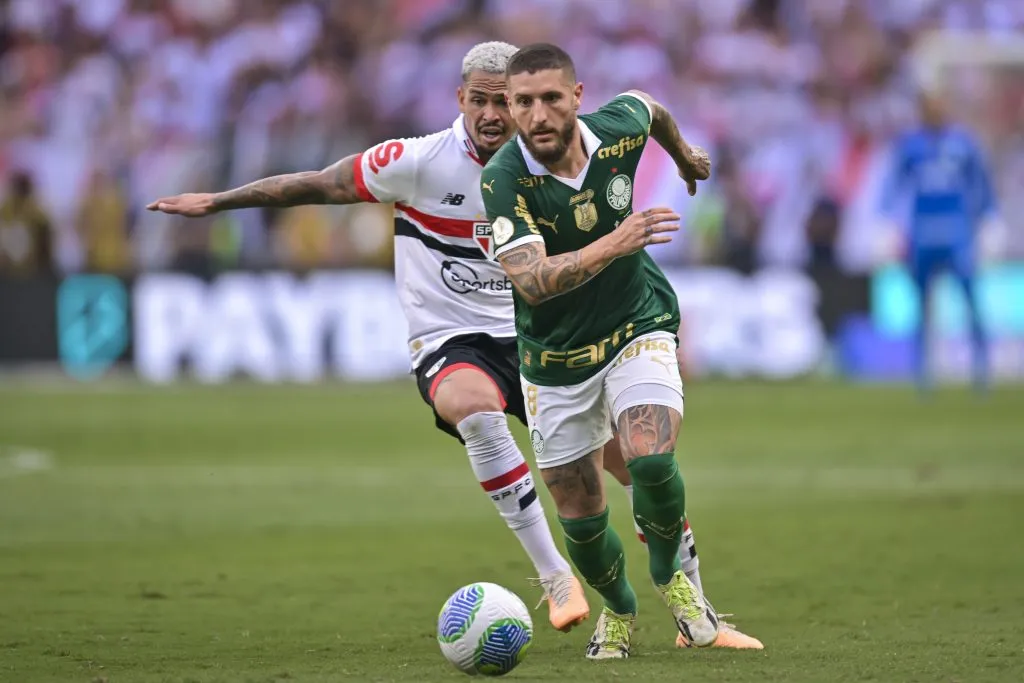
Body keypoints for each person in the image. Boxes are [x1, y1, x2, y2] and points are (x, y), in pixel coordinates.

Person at [148, 41, 760, 650]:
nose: (496, 114)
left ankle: (694, 610)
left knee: (639, 468)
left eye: (508, 102)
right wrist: (220, 202)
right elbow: (317, 184)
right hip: (452, 335)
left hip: (529, 333)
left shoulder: (556, 151)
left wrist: (683, 159)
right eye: (484, 101)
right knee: (475, 409)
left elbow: (647, 110)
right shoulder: (420, 162)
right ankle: (555, 578)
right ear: (460, 99)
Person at [482, 42, 758, 659]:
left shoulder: (616, 128)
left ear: (577, 99)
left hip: (638, 323)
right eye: (523, 103)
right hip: (555, 360)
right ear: (511, 106)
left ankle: (673, 583)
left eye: (551, 98)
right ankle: (620, 610)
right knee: (580, 516)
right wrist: (617, 239)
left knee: (650, 458)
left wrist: (684, 157)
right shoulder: (503, 179)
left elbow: (651, 107)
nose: (538, 115)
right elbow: (529, 279)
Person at [882, 92, 997, 394]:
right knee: (921, 305)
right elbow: (893, 187)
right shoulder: (910, 146)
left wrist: (989, 221)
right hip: (922, 234)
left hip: (958, 233)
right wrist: (890, 227)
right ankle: (923, 374)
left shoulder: (964, 144)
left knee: (971, 301)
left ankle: (982, 371)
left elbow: (981, 185)